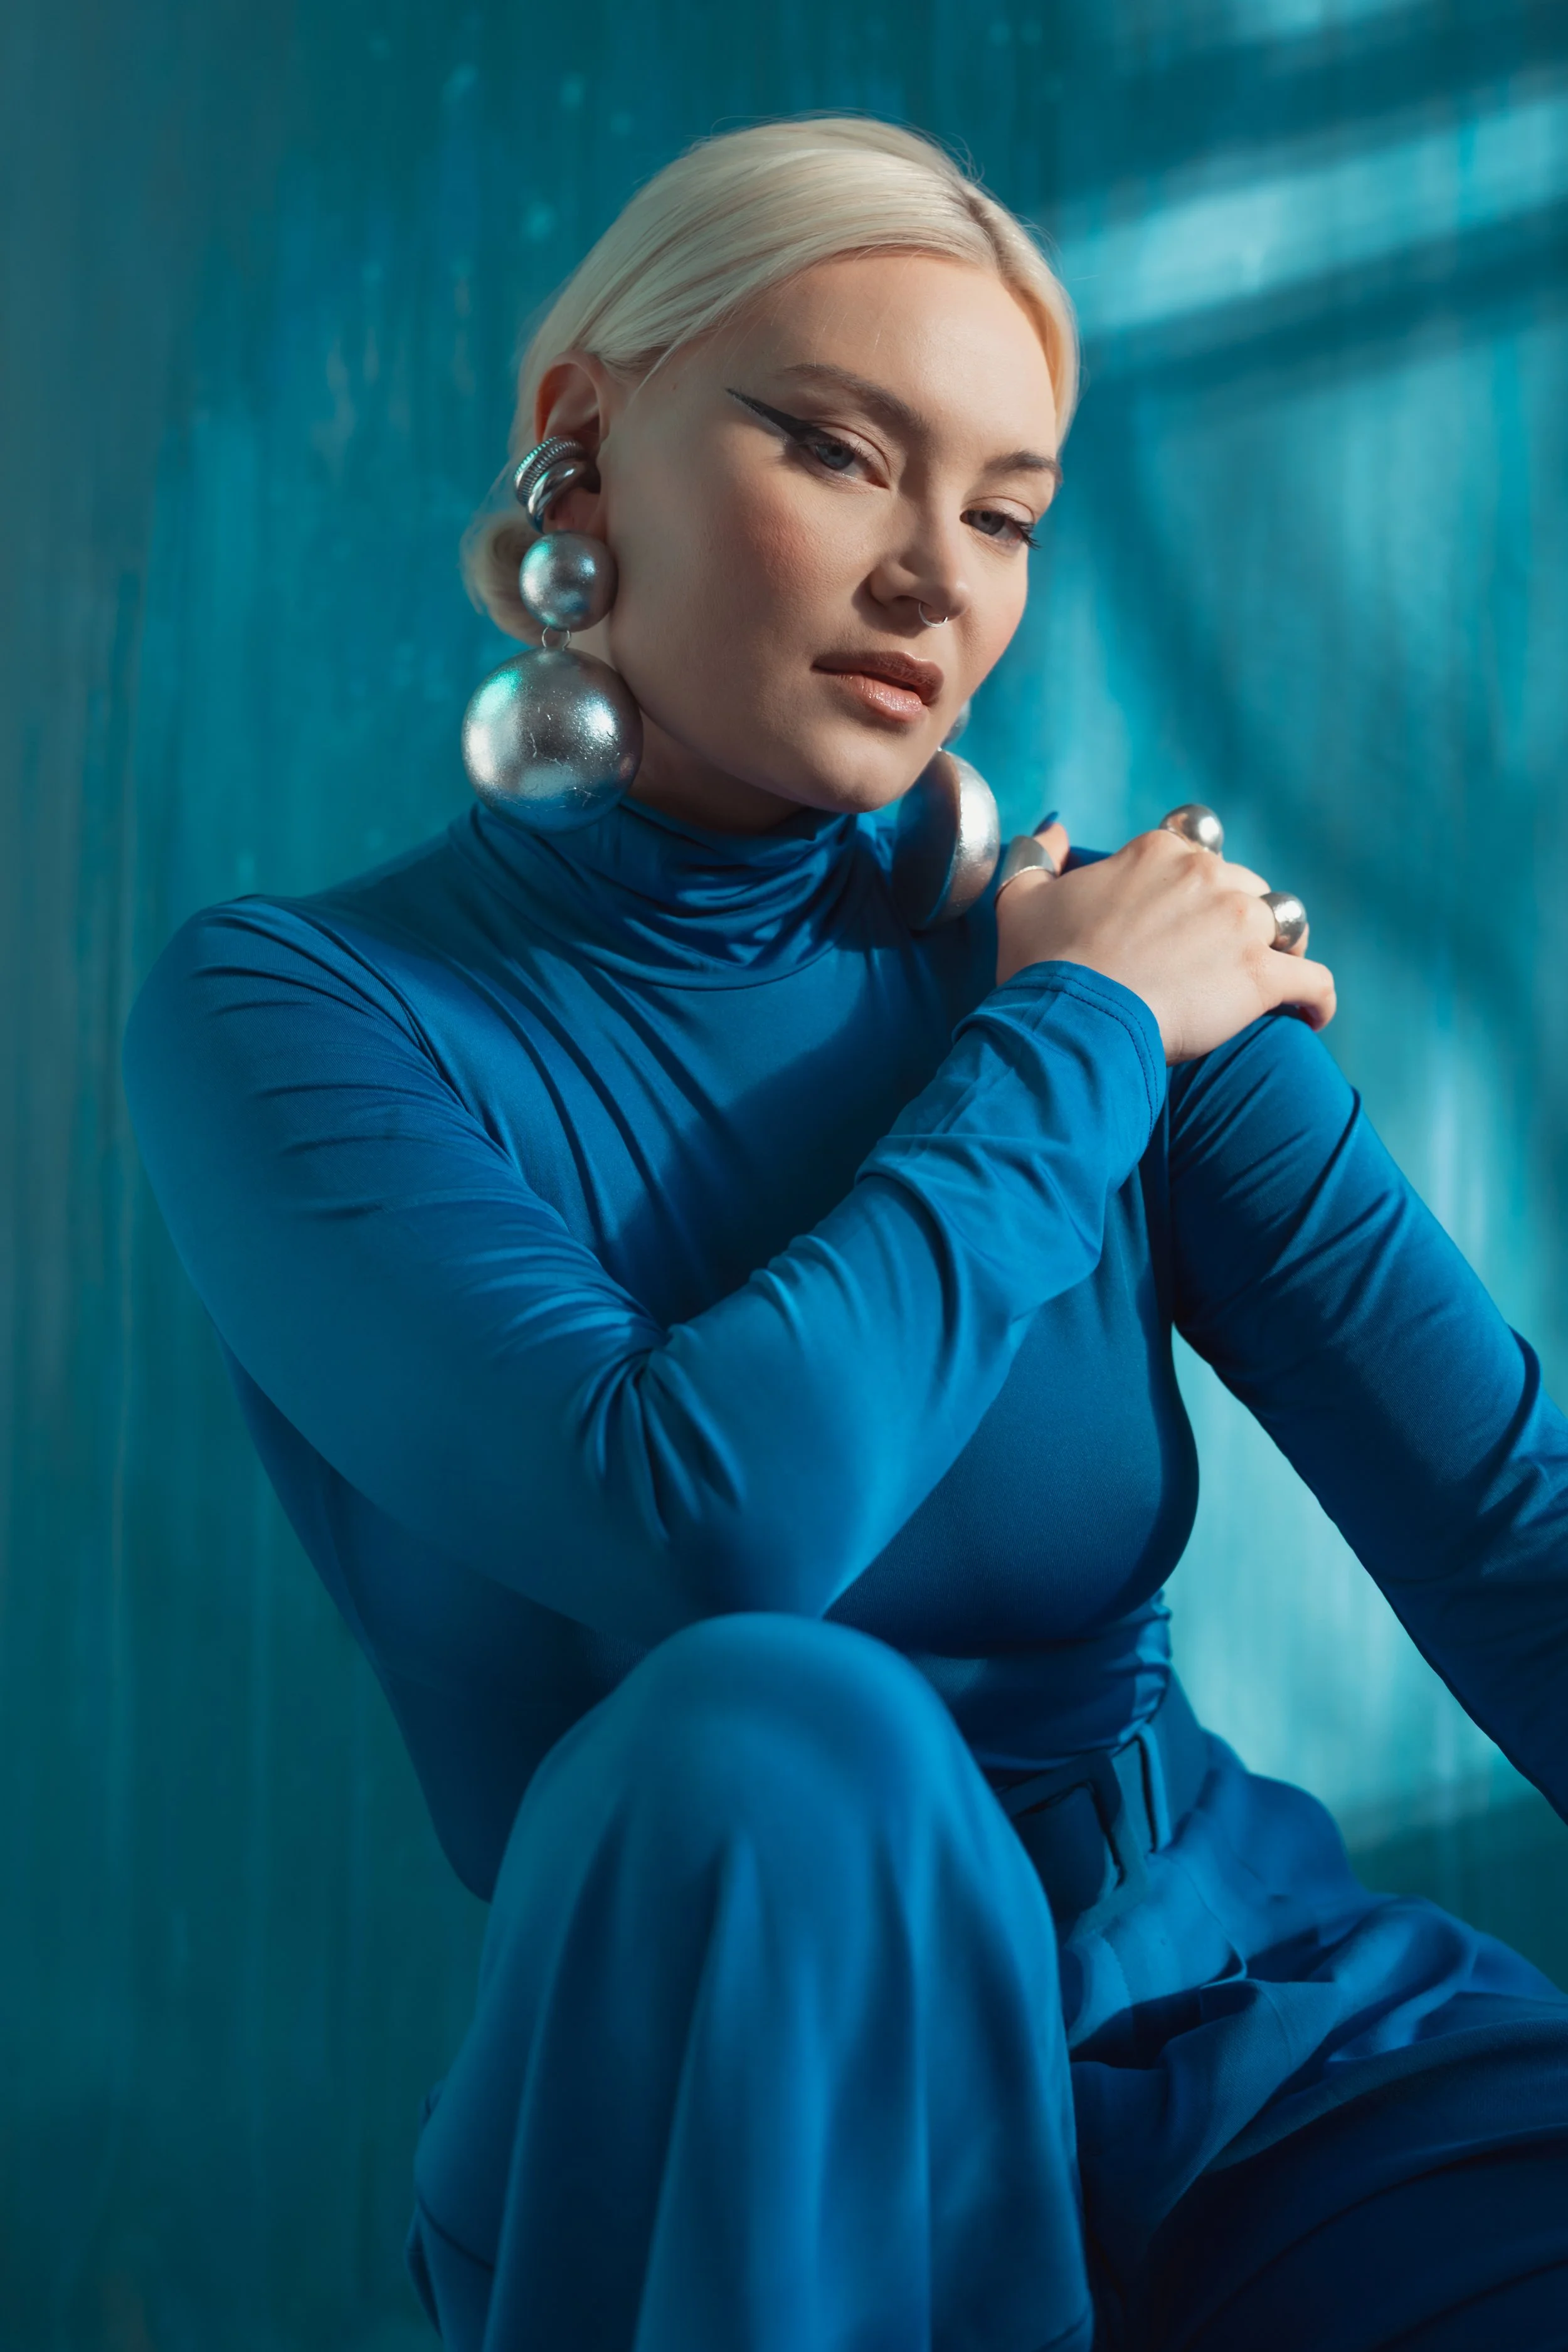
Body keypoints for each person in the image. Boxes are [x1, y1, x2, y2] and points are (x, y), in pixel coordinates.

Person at [122, 115, 1567, 2352]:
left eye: (1001, 512)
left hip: (1256, 2045)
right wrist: (1067, 1038)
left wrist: (1086, 1002)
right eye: (834, 449)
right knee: (773, 1727)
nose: (934, 578)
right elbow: (704, 1517)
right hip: (733, 2134)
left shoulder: (1106, 959)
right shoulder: (299, 1017)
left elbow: (1510, 1541)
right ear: (580, 442)